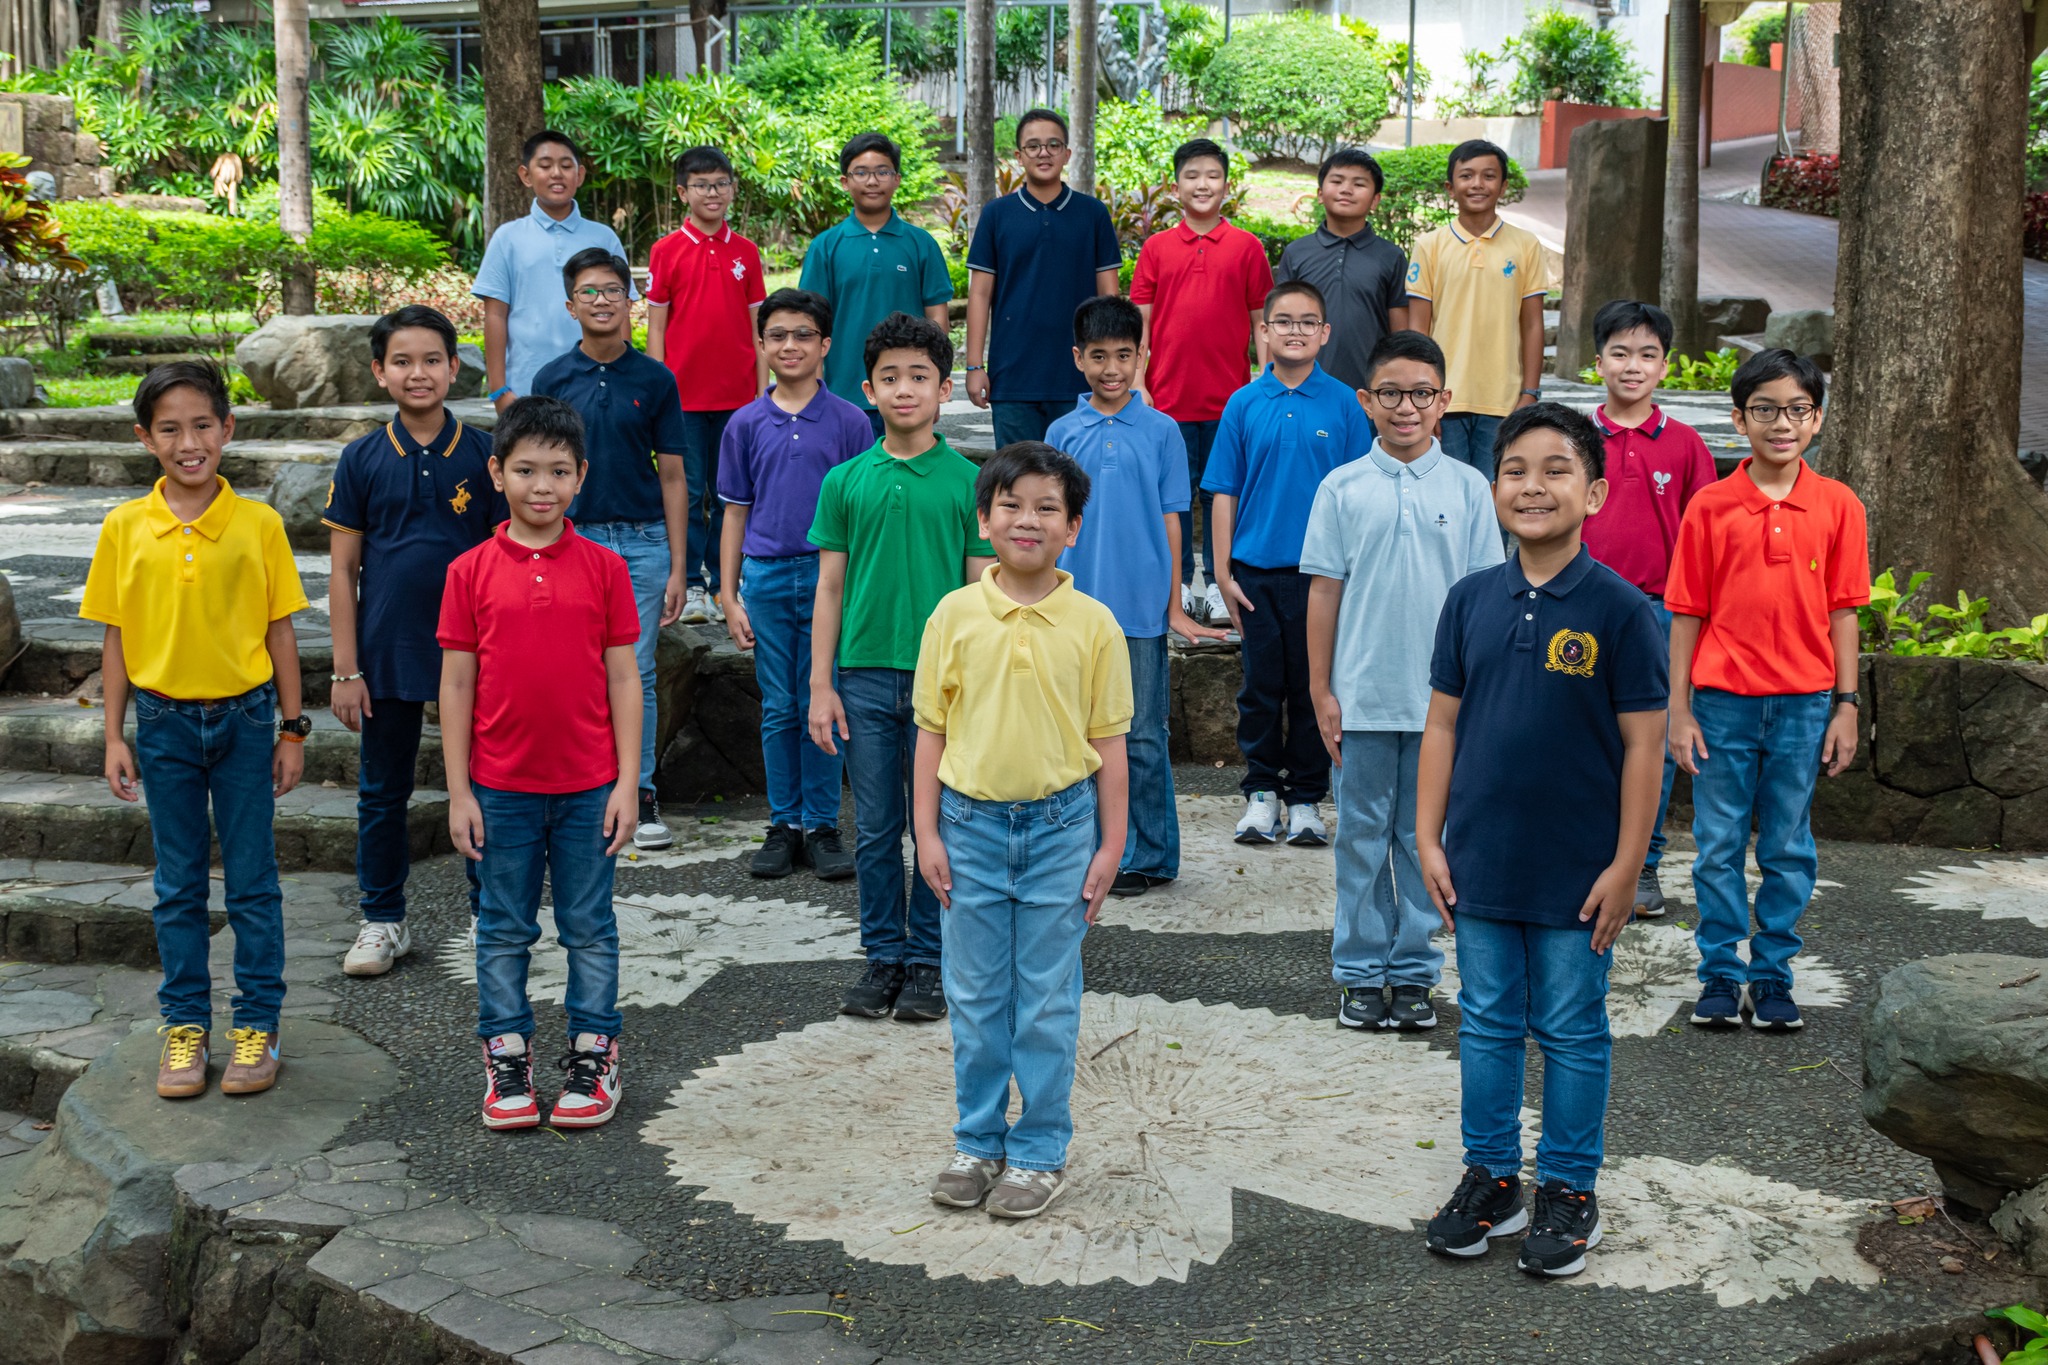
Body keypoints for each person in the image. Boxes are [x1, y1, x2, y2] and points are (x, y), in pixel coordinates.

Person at [1417, 403, 1668, 1279]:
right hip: (1480, 856)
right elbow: (1441, 726)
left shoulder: (1624, 610)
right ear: (1495, 489)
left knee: (1569, 1026)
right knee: (1485, 1023)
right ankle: (1491, 1176)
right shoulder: (1469, 600)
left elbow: (1645, 743)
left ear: (1594, 491)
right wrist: (1428, 834)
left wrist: (1629, 863)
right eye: (1516, 469)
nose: (1534, 485)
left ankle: (1569, 1185)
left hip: (1580, 869)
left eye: (1557, 469)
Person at [915, 442, 1131, 1220]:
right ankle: (976, 1139)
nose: (1027, 520)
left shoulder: (1095, 624)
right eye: (1010, 505)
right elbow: (931, 731)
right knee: (973, 995)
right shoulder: (954, 614)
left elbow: (1110, 745)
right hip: (967, 828)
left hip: (1061, 829)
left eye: (1047, 507)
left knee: (1044, 1000)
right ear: (984, 519)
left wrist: (1111, 844)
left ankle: (1038, 1151)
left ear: (1073, 526)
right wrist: (926, 833)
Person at [83, 360, 309, 1100]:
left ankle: (258, 1025)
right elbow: (115, 639)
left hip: (245, 721)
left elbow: (280, 634)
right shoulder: (124, 527)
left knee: (251, 883)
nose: (190, 441)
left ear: (227, 429)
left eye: (203, 424)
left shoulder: (258, 523)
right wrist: (115, 735)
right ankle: (183, 1026)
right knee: (177, 885)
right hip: (162, 725)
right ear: (145, 438)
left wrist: (292, 728)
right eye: (170, 428)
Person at [439, 396, 642, 1132]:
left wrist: (627, 780)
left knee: (589, 924)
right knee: (501, 927)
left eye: (558, 470)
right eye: (525, 469)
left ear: (581, 475)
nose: (541, 485)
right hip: (499, 788)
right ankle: (507, 1057)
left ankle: (594, 1052)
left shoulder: (606, 568)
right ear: (497, 473)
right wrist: (459, 789)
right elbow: (456, 682)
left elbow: (624, 676)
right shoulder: (468, 571)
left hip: (590, 786)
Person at [1303, 331, 1499, 1033]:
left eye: (1422, 393)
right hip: (1360, 699)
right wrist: (1323, 690)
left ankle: (1414, 969)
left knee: (1425, 841)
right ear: (1365, 401)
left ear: (1444, 401)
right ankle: (1359, 972)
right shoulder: (1342, 487)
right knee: (1359, 835)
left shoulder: (1472, 488)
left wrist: (1478, 693)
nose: (1406, 407)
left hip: (1442, 708)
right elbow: (1324, 594)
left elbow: (1482, 600)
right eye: (1390, 393)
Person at [1665, 349, 1866, 1032]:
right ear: (1738, 419)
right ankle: (1720, 973)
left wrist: (1847, 704)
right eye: (1764, 409)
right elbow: (1686, 611)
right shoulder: (1711, 505)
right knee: (1718, 842)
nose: (1781, 423)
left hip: (1806, 704)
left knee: (1786, 845)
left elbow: (1844, 611)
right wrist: (1679, 709)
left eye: (1797, 410)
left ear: (1816, 420)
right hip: (1722, 702)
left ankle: (1773, 974)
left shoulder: (1838, 506)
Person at [809, 312, 994, 1023]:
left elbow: (981, 593)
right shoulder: (846, 480)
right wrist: (822, 683)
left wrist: (974, 685)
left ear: (945, 389)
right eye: (890, 377)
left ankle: (929, 959)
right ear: (868, 388)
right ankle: (882, 955)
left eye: (920, 376)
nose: (905, 388)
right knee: (880, 827)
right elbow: (830, 587)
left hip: (941, 687)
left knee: (937, 829)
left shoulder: (968, 483)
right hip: (860, 676)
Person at [326, 305, 503, 978]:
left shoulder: (488, 453)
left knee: (485, 782)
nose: (418, 372)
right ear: (379, 372)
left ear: (456, 366)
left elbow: (504, 555)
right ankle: (382, 919)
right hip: (388, 649)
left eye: (432, 359)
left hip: (476, 651)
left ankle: (494, 915)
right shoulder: (363, 457)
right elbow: (343, 570)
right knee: (382, 789)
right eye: (401, 360)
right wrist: (347, 668)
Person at [1048, 296, 1229, 899]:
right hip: (1073, 610)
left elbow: (1175, 518)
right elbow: (1051, 519)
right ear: (1077, 359)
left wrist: (1175, 603)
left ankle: (1148, 852)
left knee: (1143, 734)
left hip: (1140, 610)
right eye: (1097, 356)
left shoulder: (1162, 431)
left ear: (1142, 357)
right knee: (1076, 735)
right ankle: (1085, 849)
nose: (1111, 368)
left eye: (1123, 355)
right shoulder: (1061, 432)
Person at [531, 246, 689, 853]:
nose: (602, 301)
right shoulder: (552, 380)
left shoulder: (655, 378)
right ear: (571, 306)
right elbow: (541, 476)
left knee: (636, 669)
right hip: (575, 538)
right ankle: (577, 789)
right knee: (573, 667)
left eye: (613, 291)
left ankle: (639, 790)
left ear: (631, 301)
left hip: (644, 541)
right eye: (589, 292)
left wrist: (679, 565)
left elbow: (674, 476)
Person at [1202, 280, 1371, 847]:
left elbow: (1357, 491)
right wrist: (1223, 572)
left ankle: (1305, 799)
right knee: (1260, 688)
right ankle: (1260, 794)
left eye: (1307, 322)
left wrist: (1353, 574)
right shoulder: (1244, 402)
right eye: (1284, 321)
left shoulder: (1346, 403)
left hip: (1322, 578)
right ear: (1264, 332)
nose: (1295, 331)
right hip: (1256, 574)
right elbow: (1223, 490)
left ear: (1324, 334)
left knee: (1311, 687)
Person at [715, 288, 870, 882]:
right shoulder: (745, 423)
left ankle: (824, 825)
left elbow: (860, 514)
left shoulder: (852, 422)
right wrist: (730, 596)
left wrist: (855, 587)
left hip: (833, 578)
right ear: (762, 344)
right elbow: (734, 513)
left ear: (825, 344)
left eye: (803, 335)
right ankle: (785, 824)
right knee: (779, 706)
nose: (790, 345)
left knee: (824, 700)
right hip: (768, 576)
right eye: (777, 335)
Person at [1578, 300, 1720, 921]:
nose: (1632, 366)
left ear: (1665, 366)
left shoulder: (1686, 446)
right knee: (1578, 734)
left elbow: (1706, 538)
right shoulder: (1574, 436)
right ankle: (1580, 856)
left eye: (1647, 355)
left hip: (1659, 613)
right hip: (1579, 607)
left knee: (1654, 745)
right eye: (1619, 352)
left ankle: (1645, 864)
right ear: (1598, 360)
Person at [1130, 138, 1274, 622]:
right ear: (1176, 186)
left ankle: (1215, 582)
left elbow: (1262, 320)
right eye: (1192, 175)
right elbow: (1141, 322)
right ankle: (1175, 584)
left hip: (1229, 402)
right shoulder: (1156, 248)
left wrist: (1264, 377)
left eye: (1212, 175)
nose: (1202, 184)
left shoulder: (1247, 247)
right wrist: (1139, 381)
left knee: (1221, 496)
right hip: (1167, 400)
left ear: (1226, 184)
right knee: (1173, 497)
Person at [646, 144, 767, 625]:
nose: (712, 192)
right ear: (683, 193)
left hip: (738, 398)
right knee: (689, 490)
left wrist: (762, 392)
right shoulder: (666, 250)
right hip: (683, 400)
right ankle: (692, 584)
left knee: (730, 493)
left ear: (733, 189)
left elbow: (760, 329)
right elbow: (656, 327)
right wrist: (657, 390)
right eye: (701, 185)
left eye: (720, 183)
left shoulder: (747, 252)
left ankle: (725, 585)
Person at [963, 108, 1121, 447]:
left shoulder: (1092, 214)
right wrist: (974, 367)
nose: (1043, 152)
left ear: (1067, 153)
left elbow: (1110, 297)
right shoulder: (996, 215)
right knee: (1018, 482)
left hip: (1080, 376)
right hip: (1013, 378)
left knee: (1078, 486)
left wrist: (1111, 364)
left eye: (1053, 144)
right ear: (1019, 156)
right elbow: (979, 295)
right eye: (1033, 146)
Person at [1405, 140, 1550, 477]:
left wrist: (1529, 393)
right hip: (1443, 401)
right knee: (1443, 502)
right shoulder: (1429, 246)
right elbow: (1417, 331)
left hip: (1505, 403)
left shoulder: (1525, 244)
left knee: (1494, 503)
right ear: (1450, 187)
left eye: (1488, 176)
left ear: (1503, 186)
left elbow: (1532, 325)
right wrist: (1421, 396)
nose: (1477, 184)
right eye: (1466, 175)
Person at [799, 134, 954, 436]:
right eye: (862, 172)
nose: (873, 181)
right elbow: (811, 324)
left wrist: (933, 386)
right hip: (842, 395)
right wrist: (813, 390)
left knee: (906, 476)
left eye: (882, 171)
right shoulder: (826, 246)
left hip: (907, 394)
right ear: (845, 181)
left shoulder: (921, 244)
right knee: (848, 480)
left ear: (896, 179)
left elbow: (938, 319)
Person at [473, 130, 632, 414]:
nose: (557, 174)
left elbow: (622, 311)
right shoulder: (508, 238)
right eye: (545, 166)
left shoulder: (603, 237)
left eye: (566, 166)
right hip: (526, 385)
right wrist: (499, 390)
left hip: (599, 382)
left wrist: (625, 377)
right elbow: (495, 315)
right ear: (526, 175)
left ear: (580, 175)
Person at [1274, 148, 1410, 395]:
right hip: (1302, 387)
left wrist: (1396, 386)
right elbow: (1280, 322)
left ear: (1375, 200)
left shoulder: (1391, 256)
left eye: (1359, 184)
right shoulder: (1297, 252)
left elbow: (1399, 333)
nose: (1346, 189)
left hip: (1370, 391)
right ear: (1319, 194)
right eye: (1337, 181)